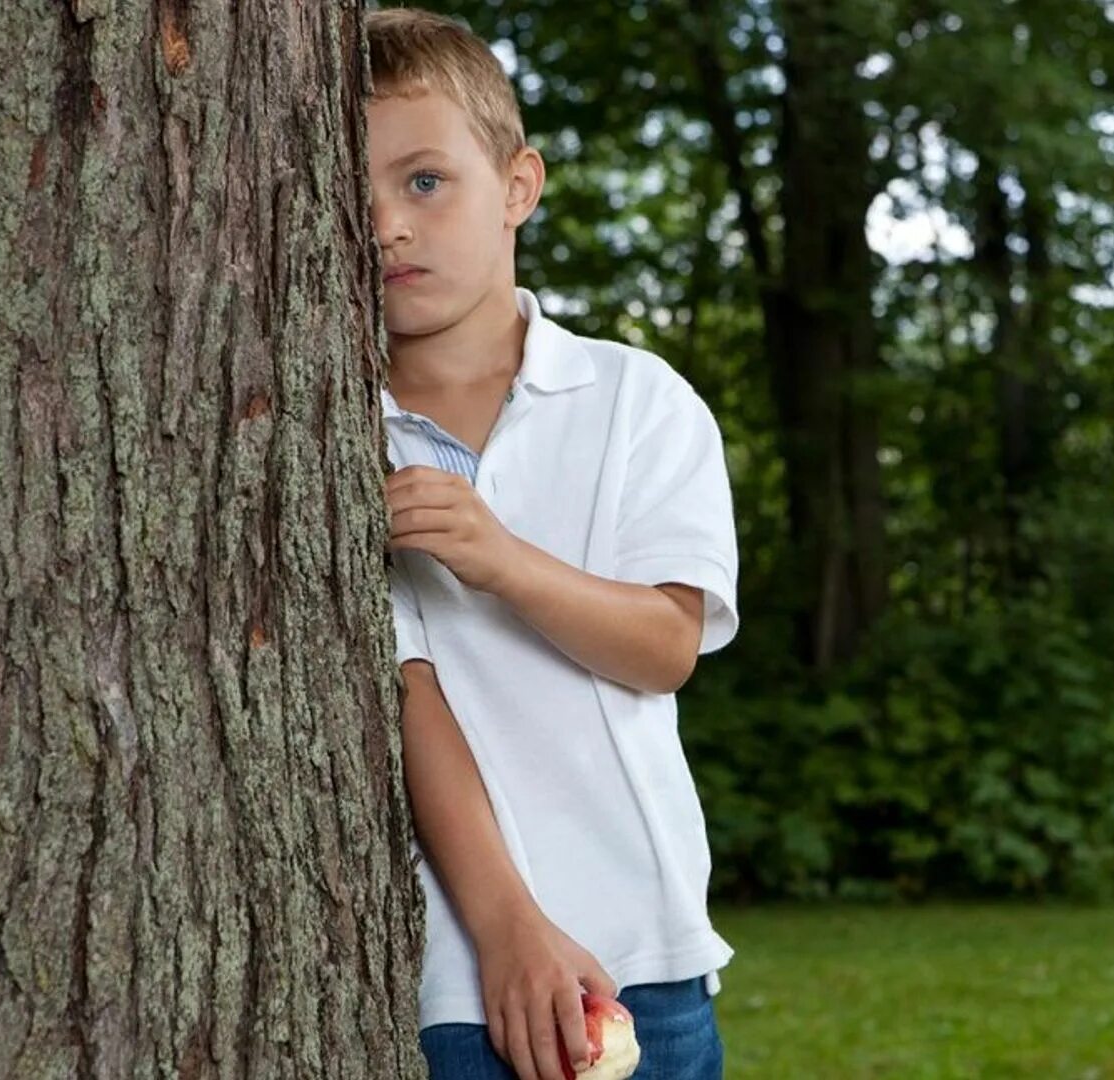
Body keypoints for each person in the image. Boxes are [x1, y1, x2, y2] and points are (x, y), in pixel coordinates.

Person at [367, 10, 737, 1079]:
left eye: (425, 180)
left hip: (647, 953)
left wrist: (498, 554)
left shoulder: (633, 399)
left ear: (518, 187)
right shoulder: (334, 434)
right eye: (356, 193)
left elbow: (665, 644)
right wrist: (510, 929)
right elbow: (409, 694)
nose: (387, 223)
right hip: (461, 973)